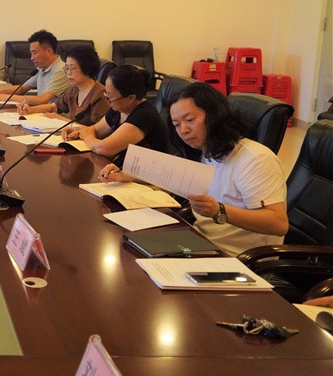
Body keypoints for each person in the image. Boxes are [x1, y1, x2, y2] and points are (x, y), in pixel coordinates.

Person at [99, 82, 287, 256]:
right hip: (198, 241)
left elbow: (278, 223)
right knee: (126, 245)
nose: (184, 130)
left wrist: (219, 211)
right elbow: (168, 174)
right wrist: (128, 174)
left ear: (214, 115)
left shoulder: (254, 159)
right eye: (177, 125)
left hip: (235, 256)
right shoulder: (203, 150)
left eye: (190, 120)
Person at [63, 64, 168, 163]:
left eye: (110, 95)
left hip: (149, 173)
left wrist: (85, 135)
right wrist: (79, 132)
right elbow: (94, 129)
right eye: (105, 92)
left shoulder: (144, 115)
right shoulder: (119, 108)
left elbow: (103, 148)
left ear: (131, 98)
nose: (106, 98)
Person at [18, 44, 108, 126]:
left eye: (72, 68)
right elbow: (54, 107)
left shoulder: (100, 95)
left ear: (87, 68)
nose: (68, 73)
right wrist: (30, 109)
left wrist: (63, 120)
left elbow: (97, 131)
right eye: (67, 68)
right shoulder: (75, 89)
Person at [0, 30, 70, 106]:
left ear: (48, 51)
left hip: (55, 116)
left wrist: (7, 97)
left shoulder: (61, 70)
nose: (32, 58)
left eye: (34, 53)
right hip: (41, 112)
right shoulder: (41, 68)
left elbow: (42, 100)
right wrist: (0, 92)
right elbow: (22, 88)